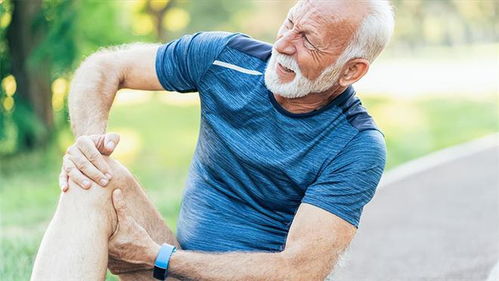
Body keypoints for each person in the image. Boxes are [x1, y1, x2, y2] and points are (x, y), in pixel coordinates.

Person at [30, 0, 394, 280]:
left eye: (308, 40)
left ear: (351, 69)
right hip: (177, 268)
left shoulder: (356, 145)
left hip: (196, 267)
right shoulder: (225, 57)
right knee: (93, 176)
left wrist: (155, 255)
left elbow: (298, 271)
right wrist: (89, 145)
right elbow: (105, 67)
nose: (283, 44)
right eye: (289, 22)